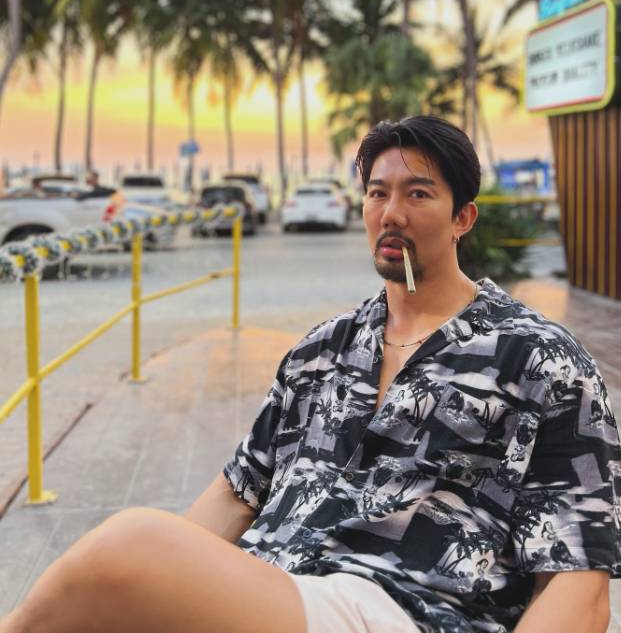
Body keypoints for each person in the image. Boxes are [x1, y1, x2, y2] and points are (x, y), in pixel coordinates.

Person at [1, 115, 619, 633]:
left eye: (418, 194)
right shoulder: (321, 350)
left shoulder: (539, 358)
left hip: (401, 606)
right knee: (119, 590)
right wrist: (164, 592)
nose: (391, 213)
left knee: (128, 544)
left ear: (463, 217)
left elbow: (577, 583)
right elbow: (236, 493)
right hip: (275, 588)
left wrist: (146, 563)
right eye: (377, 193)